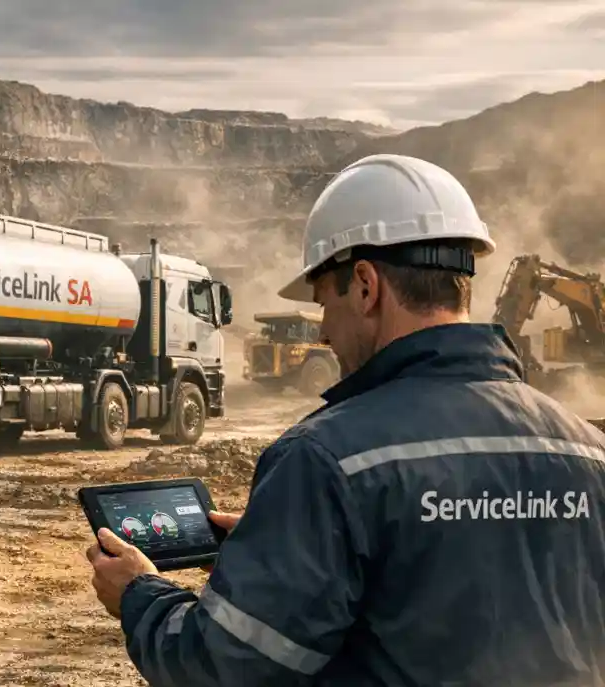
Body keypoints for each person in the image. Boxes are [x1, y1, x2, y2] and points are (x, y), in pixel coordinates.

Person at [86, 153, 605, 686]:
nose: (324, 334)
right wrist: (295, 544)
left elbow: (226, 667)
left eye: (323, 305)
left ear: (364, 285)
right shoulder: (588, 449)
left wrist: (139, 595)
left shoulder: (327, 459)